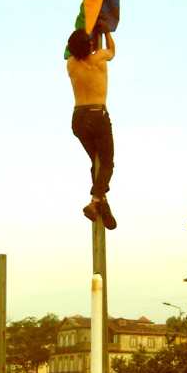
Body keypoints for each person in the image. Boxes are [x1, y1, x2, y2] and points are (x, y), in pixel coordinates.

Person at [66, 28, 117, 230]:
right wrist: (106, 33)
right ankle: (96, 201)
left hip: (79, 118)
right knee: (106, 163)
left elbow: (73, 49)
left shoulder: (70, 64)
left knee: (97, 162)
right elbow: (112, 51)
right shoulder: (99, 58)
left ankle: (102, 202)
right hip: (97, 115)